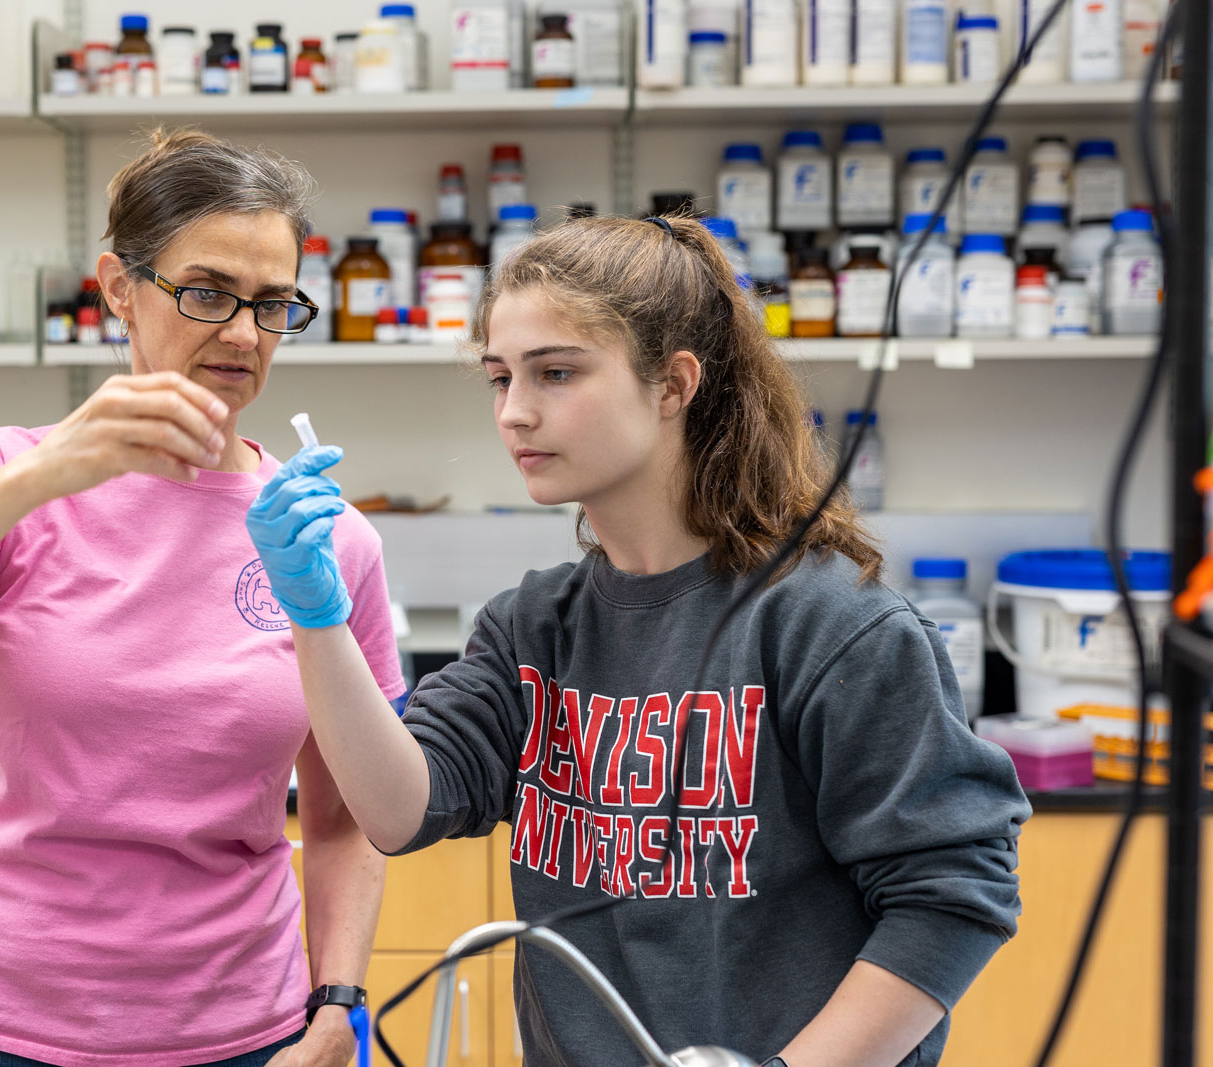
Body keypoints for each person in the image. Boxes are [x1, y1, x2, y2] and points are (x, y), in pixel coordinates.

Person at [245, 214, 1031, 1067]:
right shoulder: (531, 627)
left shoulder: (830, 626)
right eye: (500, 377)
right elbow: (395, 810)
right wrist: (316, 618)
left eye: (555, 373)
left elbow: (953, 900)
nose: (514, 412)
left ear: (672, 384)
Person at [0, 128, 406, 1067]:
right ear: (120, 287)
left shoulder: (323, 537)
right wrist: (38, 477)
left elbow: (345, 813)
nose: (242, 332)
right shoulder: (7, 476)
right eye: (207, 292)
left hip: (243, 1029)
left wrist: (340, 1004)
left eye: (273, 303)